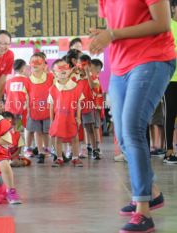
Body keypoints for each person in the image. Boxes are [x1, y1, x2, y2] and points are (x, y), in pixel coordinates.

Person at [89, 0, 175, 232]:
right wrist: (104, 35)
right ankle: (152, 193)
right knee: (123, 137)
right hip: (120, 66)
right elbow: (115, 26)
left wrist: (113, 34)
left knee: (132, 129)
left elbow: (163, 23)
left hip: (152, 59)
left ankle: (143, 211)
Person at [48, 59, 83, 167]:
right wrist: (51, 121)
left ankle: (75, 158)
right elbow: (51, 105)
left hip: (71, 117)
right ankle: (59, 158)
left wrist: (78, 117)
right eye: (59, 68)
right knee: (58, 138)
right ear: (54, 73)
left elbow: (78, 103)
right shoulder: (53, 89)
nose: (63, 70)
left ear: (70, 71)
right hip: (58, 118)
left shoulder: (76, 87)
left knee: (74, 137)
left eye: (65, 68)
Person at [25, 52, 53, 164]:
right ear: (29, 64)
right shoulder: (27, 80)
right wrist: (26, 110)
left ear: (44, 65)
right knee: (37, 131)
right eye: (33, 62)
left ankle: (47, 148)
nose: (35, 64)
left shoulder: (51, 77)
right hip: (34, 111)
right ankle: (40, 151)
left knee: (47, 132)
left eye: (39, 62)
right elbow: (26, 96)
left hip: (48, 110)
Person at [163, 0, 177, 164]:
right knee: (170, 115)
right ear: (173, 8)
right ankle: (169, 151)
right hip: (170, 79)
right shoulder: (167, 27)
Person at [4, 59, 29, 129]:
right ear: (23, 68)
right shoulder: (28, 81)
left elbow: (6, 94)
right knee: (22, 130)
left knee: (11, 130)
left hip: (9, 108)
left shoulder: (8, 81)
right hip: (22, 109)